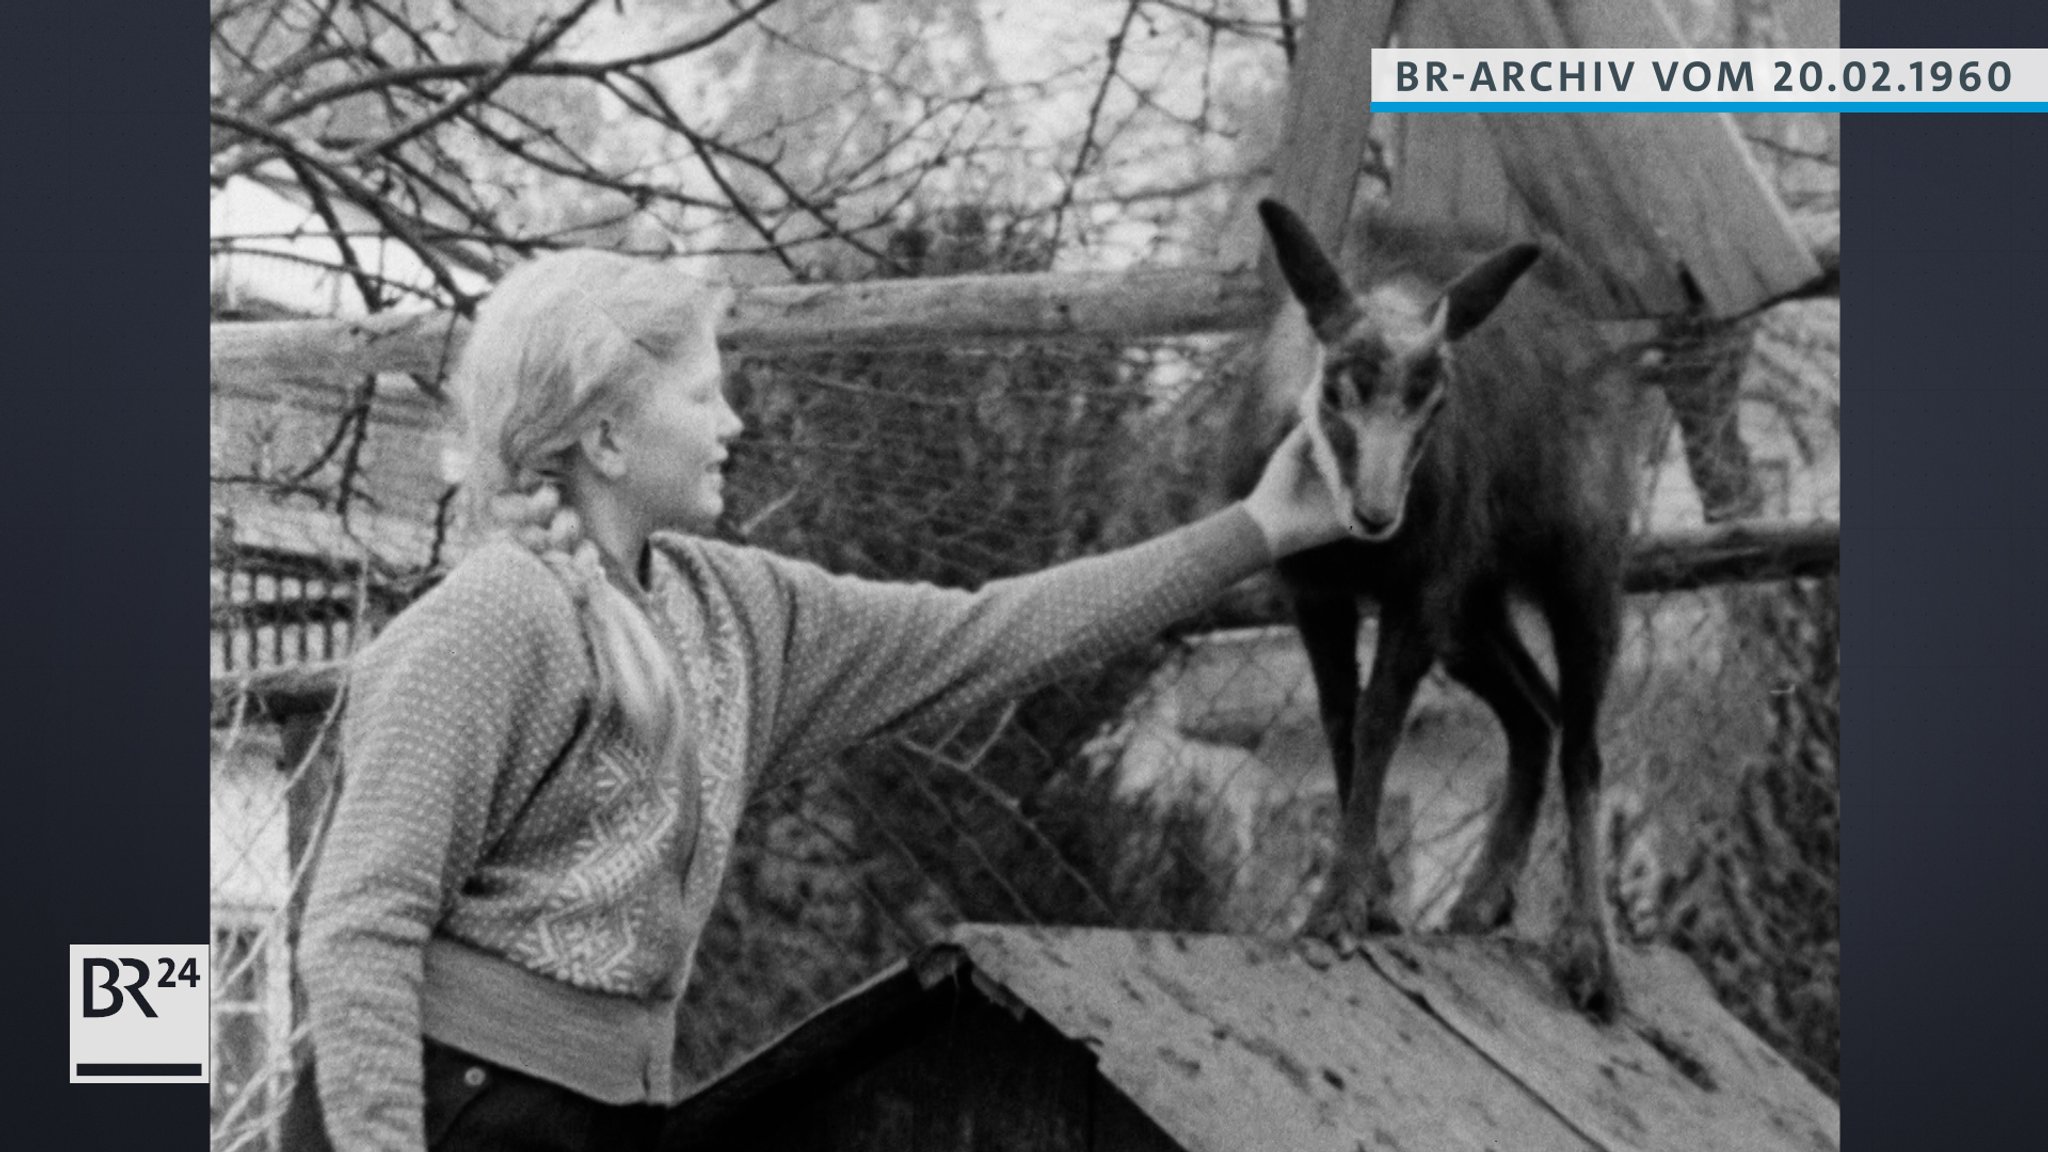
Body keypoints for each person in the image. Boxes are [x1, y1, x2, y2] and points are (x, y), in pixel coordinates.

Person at [297, 248, 1353, 1151]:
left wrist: (1256, 528)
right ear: (606, 439)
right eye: (703, 394)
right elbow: (358, 928)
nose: (734, 421)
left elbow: (994, 632)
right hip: (442, 1109)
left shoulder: (739, 613)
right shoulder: (488, 623)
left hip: (602, 1116)